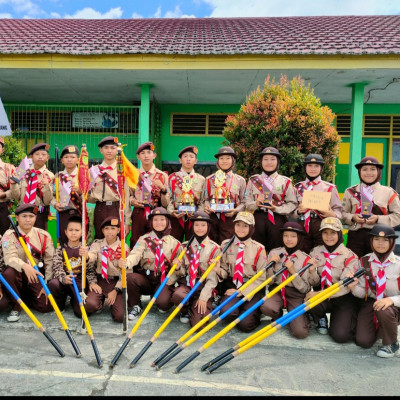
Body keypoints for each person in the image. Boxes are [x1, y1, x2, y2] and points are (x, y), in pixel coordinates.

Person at [120, 207, 183, 320]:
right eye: (155, 220)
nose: (159, 223)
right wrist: (127, 262)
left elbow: (181, 267)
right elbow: (135, 254)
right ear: (151, 222)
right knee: (130, 277)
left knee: (163, 305)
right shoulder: (144, 240)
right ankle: (136, 305)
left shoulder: (175, 243)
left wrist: (177, 269)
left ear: (167, 222)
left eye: (162, 219)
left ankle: (159, 297)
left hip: (164, 280)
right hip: (147, 278)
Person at [348, 224, 400, 358]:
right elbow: (362, 293)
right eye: (376, 239)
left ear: (392, 242)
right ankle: (383, 328)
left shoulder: (399, 264)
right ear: (371, 241)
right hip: (372, 303)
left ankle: (391, 343)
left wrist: (390, 300)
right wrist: (353, 286)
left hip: (394, 307)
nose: (380, 243)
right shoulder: (364, 261)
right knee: (363, 341)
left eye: (385, 240)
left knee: (383, 309)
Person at [215, 211, 268, 333]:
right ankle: (237, 307)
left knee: (245, 325)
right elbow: (225, 271)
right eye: (238, 224)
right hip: (233, 285)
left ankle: (254, 311)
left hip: (252, 288)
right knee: (227, 314)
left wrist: (242, 292)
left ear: (251, 228)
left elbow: (261, 277)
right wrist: (218, 270)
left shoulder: (259, 248)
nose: (241, 229)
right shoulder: (225, 245)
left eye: (245, 226)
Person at [306, 217, 359, 340]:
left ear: (340, 233)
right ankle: (320, 318)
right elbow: (314, 282)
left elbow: (344, 285)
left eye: (333, 233)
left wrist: (319, 294)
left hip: (342, 297)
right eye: (325, 232)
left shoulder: (350, 256)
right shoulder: (315, 252)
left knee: (340, 336)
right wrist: (312, 271)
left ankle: (347, 319)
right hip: (322, 295)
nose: (328, 236)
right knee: (308, 300)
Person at [1, 204, 54, 322]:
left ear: (35, 218)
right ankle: (16, 306)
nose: (28, 219)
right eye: (24, 216)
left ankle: (22, 296)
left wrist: (46, 283)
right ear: (17, 218)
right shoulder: (9, 235)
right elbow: (9, 258)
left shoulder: (43, 235)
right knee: (9, 273)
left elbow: (50, 261)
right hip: (17, 274)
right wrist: (25, 266)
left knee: (44, 307)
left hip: (35, 274)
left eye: (31, 216)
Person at [260, 222, 311, 339]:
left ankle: (301, 318)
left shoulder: (305, 258)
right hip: (277, 290)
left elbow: (305, 288)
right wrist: (269, 265)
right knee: (266, 307)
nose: (289, 239)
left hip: (295, 294)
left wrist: (293, 272)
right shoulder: (274, 253)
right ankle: (278, 315)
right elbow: (269, 282)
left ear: (299, 238)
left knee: (300, 333)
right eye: (285, 235)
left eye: (293, 236)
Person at [342, 156, 400, 258]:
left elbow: (397, 216)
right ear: (359, 172)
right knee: (354, 267)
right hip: (355, 238)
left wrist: (378, 219)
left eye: (373, 169)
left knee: (377, 268)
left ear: (378, 172)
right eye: (364, 169)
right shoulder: (350, 191)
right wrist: (353, 217)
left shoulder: (388, 192)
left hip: (380, 237)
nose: (368, 173)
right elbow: (342, 213)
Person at [171, 211, 221, 325]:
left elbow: (213, 279)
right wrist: (178, 267)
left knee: (199, 324)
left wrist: (203, 297)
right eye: (197, 225)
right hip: (188, 285)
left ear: (208, 227)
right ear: (192, 226)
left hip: (203, 287)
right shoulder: (185, 246)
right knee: (177, 295)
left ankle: (203, 305)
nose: (200, 228)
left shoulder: (215, 248)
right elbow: (182, 272)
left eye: (203, 225)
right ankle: (185, 311)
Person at [244, 147, 297, 252]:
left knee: (276, 249)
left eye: (272, 159)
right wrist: (256, 203)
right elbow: (247, 202)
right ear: (261, 162)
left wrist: (276, 209)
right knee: (256, 250)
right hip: (257, 219)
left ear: (277, 162)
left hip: (277, 219)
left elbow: (292, 203)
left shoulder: (285, 181)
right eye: (265, 159)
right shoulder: (253, 180)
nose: (269, 162)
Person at [84, 216, 134, 323]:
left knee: (120, 317)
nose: (109, 232)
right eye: (106, 229)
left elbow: (127, 273)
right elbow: (91, 257)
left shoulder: (124, 248)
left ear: (118, 230)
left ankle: (114, 301)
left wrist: (116, 290)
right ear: (102, 230)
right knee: (89, 305)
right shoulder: (97, 245)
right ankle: (99, 300)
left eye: (113, 228)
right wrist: (86, 256)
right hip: (100, 281)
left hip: (116, 282)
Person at [293, 154, 342, 253]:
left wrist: (333, 215)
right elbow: (290, 211)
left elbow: (339, 210)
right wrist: (298, 211)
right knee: (301, 254)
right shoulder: (297, 187)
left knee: (320, 254)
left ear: (321, 168)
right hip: (302, 224)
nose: (313, 169)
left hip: (322, 225)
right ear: (305, 168)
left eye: (316, 166)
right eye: (309, 166)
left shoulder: (329, 188)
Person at [87, 136, 131, 240]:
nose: (109, 151)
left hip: (117, 209)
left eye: (112, 148)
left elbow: (126, 197)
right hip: (100, 209)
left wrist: (127, 221)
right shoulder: (93, 171)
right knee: (99, 238)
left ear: (117, 150)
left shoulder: (123, 170)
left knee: (117, 241)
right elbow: (88, 196)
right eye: (106, 148)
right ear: (101, 150)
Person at [129, 141, 169, 248]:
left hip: (156, 212)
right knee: (136, 240)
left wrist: (163, 189)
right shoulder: (133, 175)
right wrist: (133, 201)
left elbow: (166, 203)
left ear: (154, 155)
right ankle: (136, 265)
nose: (146, 156)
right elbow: (128, 195)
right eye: (142, 153)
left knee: (156, 241)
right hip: (139, 212)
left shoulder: (162, 176)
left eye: (149, 152)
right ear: (138, 157)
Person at [47, 216, 89, 317]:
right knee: (53, 283)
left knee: (80, 313)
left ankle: (74, 301)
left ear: (82, 232)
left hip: (79, 281)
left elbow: (90, 269)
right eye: (70, 230)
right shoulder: (60, 249)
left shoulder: (85, 249)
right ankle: (60, 304)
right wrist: (63, 278)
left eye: (77, 230)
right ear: (65, 232)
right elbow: (56, 267)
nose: (73, 233)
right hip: (65, 280)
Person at [204, 146, 246, 244]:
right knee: (211, 246)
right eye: (221, 158)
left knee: (227, 246)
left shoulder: (240, 180)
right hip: (212, 218)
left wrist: (235, 210)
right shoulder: (209, 179)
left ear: (233, 161)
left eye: (228, 158)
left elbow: (244, 201)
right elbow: (205, 199)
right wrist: (206, 206)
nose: (224, 161)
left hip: (230, 218)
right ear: (217, 161)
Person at [11, 143, 54, 230]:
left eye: (43, 154)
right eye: (37, 154)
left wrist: (46, 186)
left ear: (48, 158)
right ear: (31, 157)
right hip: (23, 213)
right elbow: (16, 196)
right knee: (21, 239)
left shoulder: (50, 176)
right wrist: (13, 184)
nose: (40, 157)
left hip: (39, 214)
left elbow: (47, 201)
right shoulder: (22, 172)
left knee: (38, 240)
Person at [167, 146, 205, 242]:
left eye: (191, 157)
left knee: (193, 244)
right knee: (174, 244)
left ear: (195, 160)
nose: (188, 159)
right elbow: (169, 198)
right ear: (180, 160)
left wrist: (198, 214)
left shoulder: (201, 179)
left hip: (194, 219)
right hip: (176, 217)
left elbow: (203, 200)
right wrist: (171, 211)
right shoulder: (172, 178)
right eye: (185, 156)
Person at [51, 145, 86, 245]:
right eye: (66, 157)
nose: (69, 160)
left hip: (79, 213)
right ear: (61, 160)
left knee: (80, 242)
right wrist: (55, 204)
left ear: (78, 159)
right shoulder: (58, 176)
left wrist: (81, 192)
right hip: (63, 214)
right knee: (63, 241)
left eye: (72, 157)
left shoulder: (84, 176)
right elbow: (52, 196)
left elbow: (91, 196)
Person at [0, 137, 16, 235]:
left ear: (2, 150)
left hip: (2, 207)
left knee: (4, 237)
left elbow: (15, 191)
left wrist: (4, 194)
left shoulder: (9, 168)